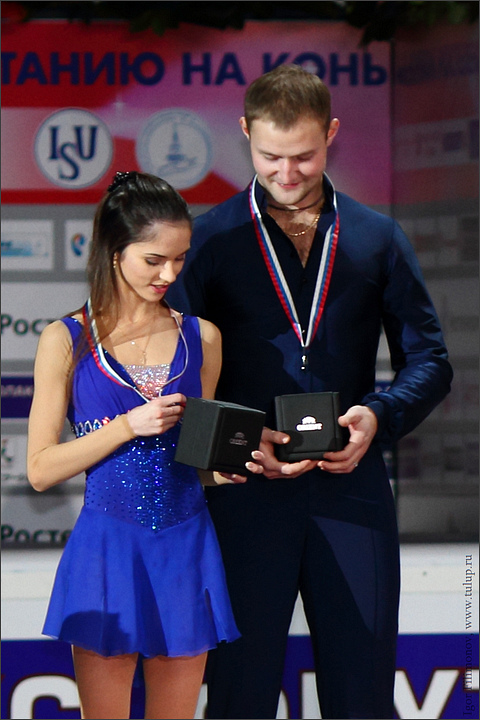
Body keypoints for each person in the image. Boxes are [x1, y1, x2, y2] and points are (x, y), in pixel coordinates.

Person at [166, 64, 453, 719]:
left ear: (332, 133)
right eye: (271, 156)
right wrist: (239, 444)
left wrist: (378, 416)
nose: (287, 172)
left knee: (362, 698)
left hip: (351, 494)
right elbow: (171, 381)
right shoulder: (207, 241)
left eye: (304, 155)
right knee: (238, 698)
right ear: (245, 133)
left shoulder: (378, 237)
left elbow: (430, 360)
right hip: (242, 499)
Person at [27, 171, 248, 720]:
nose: (169, 274)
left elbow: (196, 460)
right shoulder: (66, 340)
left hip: (186, 547)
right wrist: (126, 425)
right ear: (114, 250)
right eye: (154, 260)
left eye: (179, 259)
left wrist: (226, 467)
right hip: (108, 550)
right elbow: (40, 469)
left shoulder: (203, 337)